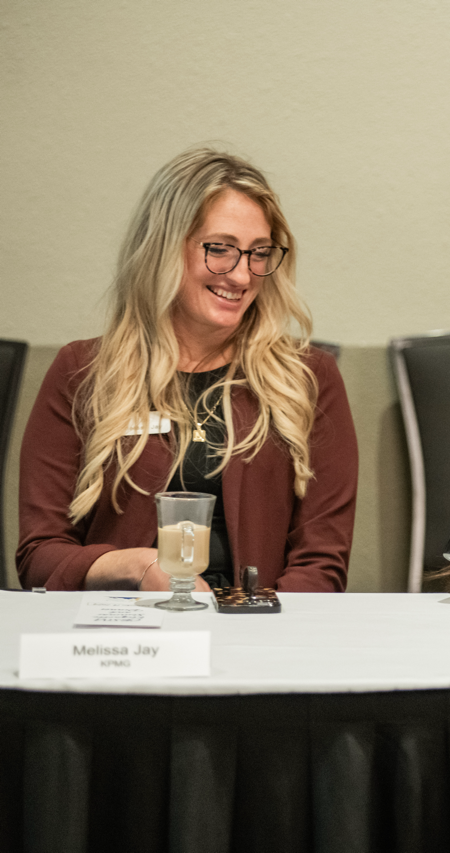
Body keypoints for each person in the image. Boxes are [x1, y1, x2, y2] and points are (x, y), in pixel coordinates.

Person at [18, 149, 358, 592]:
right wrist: (139, 566)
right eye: (219, 249)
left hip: (261, 634)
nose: (241, 275)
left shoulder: (307, 378)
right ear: (161, 248)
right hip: (125, 634)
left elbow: (321, 565)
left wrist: (253, 631)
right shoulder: (82, 372)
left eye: (259, 253)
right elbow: (40, 556)